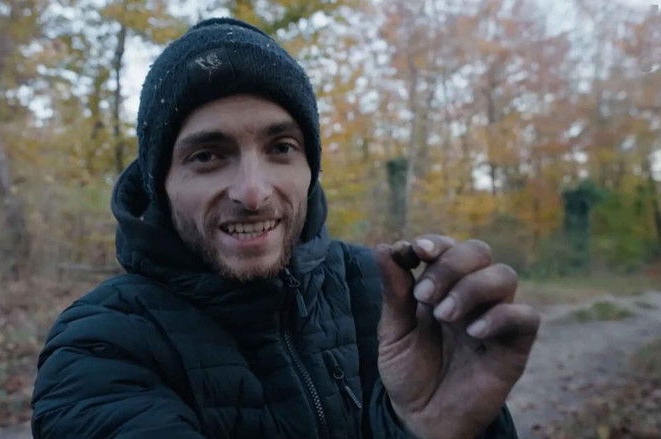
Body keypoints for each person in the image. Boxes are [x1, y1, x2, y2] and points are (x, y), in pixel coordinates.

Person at [31, 17, 540, 439]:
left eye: (281, 148)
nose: (253, 192)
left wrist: (433, 428)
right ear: (159, 183)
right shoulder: (99, 348)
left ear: (309, 168)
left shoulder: (385, 296)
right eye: (207, 155)